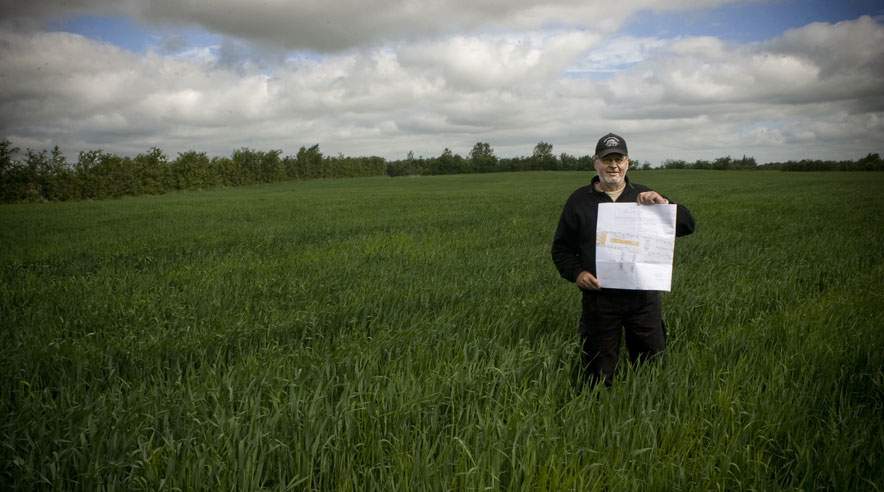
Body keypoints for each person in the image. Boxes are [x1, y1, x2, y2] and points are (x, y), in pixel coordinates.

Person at [551, 133, 695, 387]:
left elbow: (687, 225)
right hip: (600, 299)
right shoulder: (579, 201)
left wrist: (664, 204)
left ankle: (646, 410)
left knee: (651, 366)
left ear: (628, 162)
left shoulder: (645, 196)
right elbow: (561, 249)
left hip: (643, 300)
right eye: (607, 160)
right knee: (598, 370)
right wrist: (578, 274)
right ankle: (600, 411)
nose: (613, 165)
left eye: (619, 159)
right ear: (596, 163)